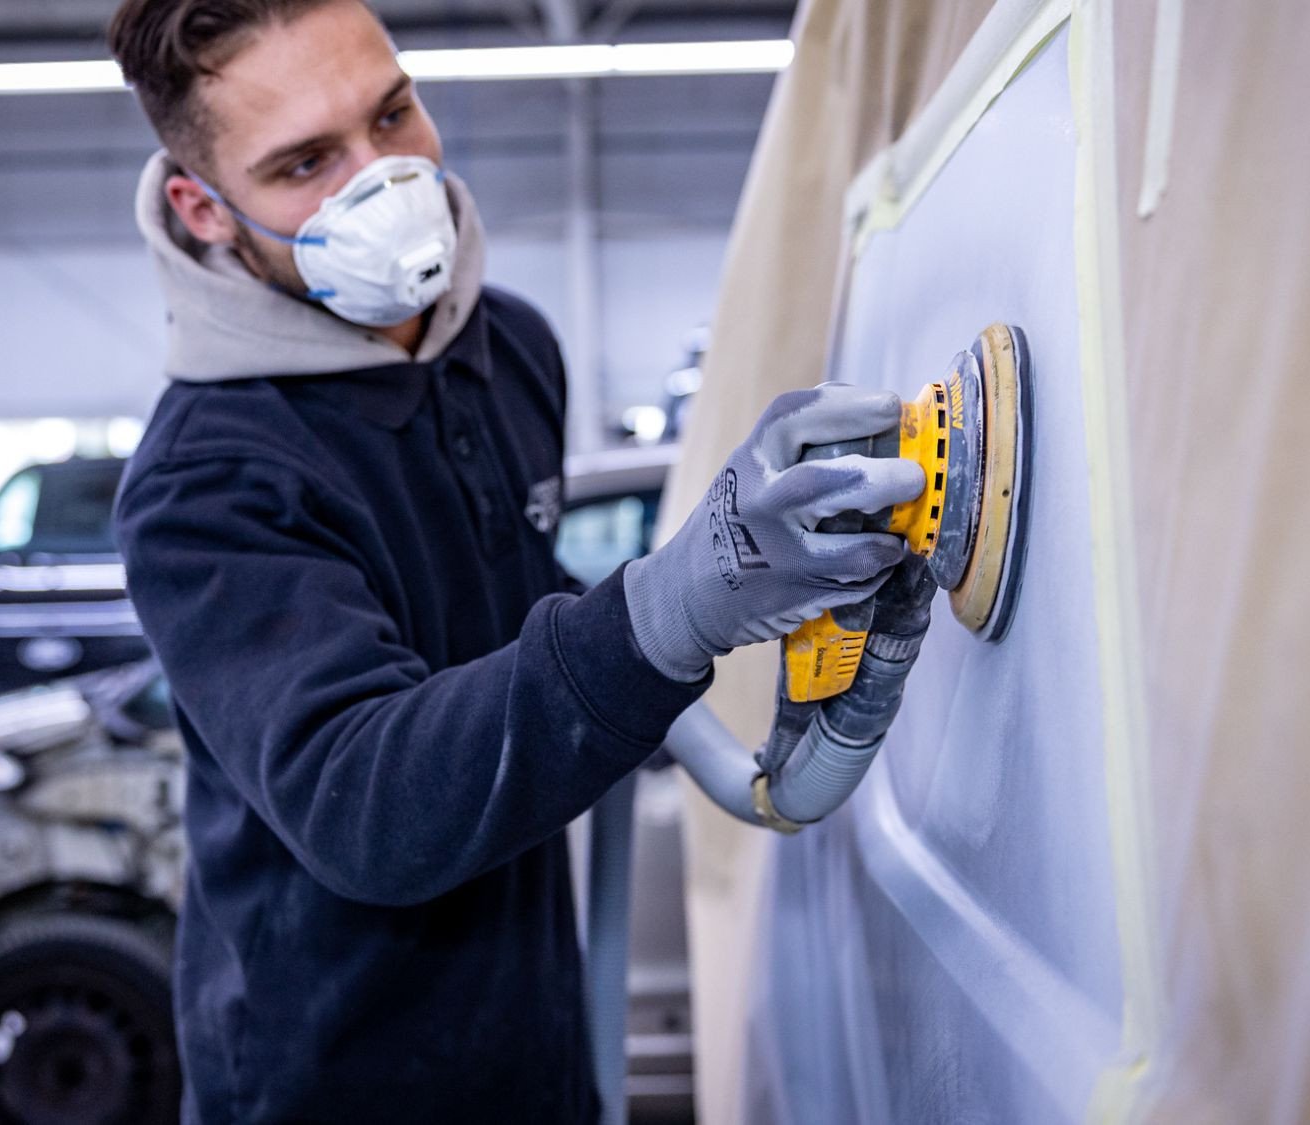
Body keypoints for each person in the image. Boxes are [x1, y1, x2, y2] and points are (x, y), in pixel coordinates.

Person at [105, 0, 926, 1119]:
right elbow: (366, 806)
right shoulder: (206, 481)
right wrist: (660, 616)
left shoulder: (509, 350)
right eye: (305, 162)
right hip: (330, 1082)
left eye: (392, 113)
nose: (382, 182)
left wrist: (699, 681)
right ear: (205, 210)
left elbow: (513, 619)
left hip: (531, 1050)